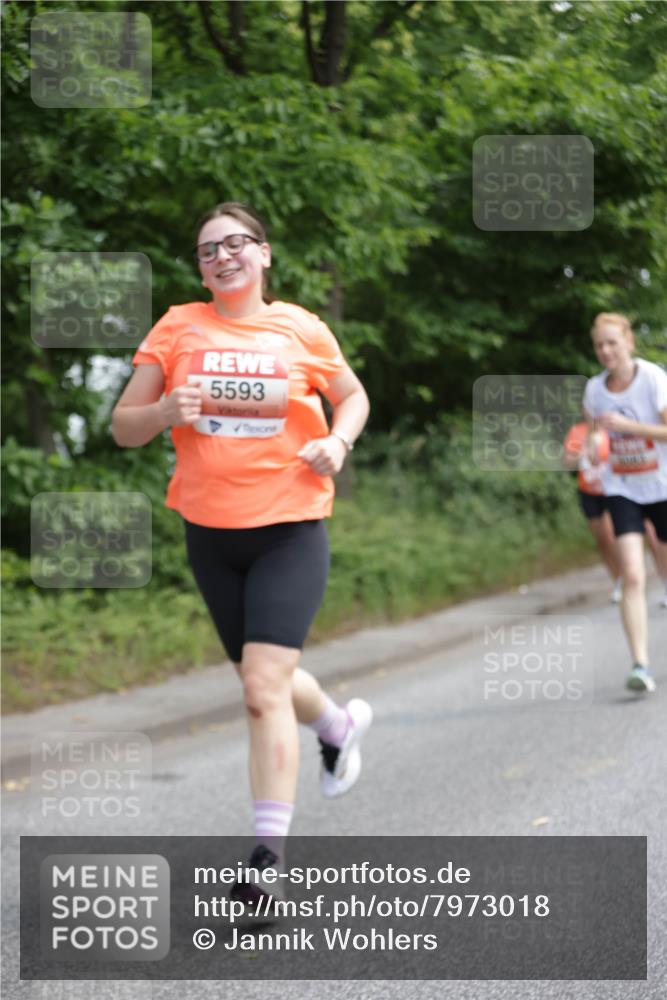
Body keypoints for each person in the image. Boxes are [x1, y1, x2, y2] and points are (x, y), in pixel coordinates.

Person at [111, 202, 372, 905]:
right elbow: (124, 428)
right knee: (267, 681)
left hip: (289, 527)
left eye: (235, 243)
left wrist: (338, 440)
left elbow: (353, 397)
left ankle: (266, 862)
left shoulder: (301, 328)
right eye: (207, 250)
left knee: (260, 688)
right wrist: (163, 412)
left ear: (264, 253)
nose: (222, 256)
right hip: (211, 534)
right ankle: (338, 725)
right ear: (201, 270)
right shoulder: (177, 326)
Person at [583, 312, 667, 692]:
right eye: (599, 345)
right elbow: (593, 434)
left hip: (662, 484)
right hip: (623, 488)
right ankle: (640, 665)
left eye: (612, 343)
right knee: (632, 574)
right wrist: (592, 448)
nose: (605, 351)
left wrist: (630, 427)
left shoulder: (653, 379)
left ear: (629, 342)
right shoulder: (594, 390)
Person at [563, 421, 623, 602]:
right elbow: (567, 462)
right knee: (602, 540)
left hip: (609, 490)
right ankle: (617, 580)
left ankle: (628, 575)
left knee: (610, 535)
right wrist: (581, 455)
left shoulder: (611, 428)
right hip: (588, 491)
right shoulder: (577, 431)